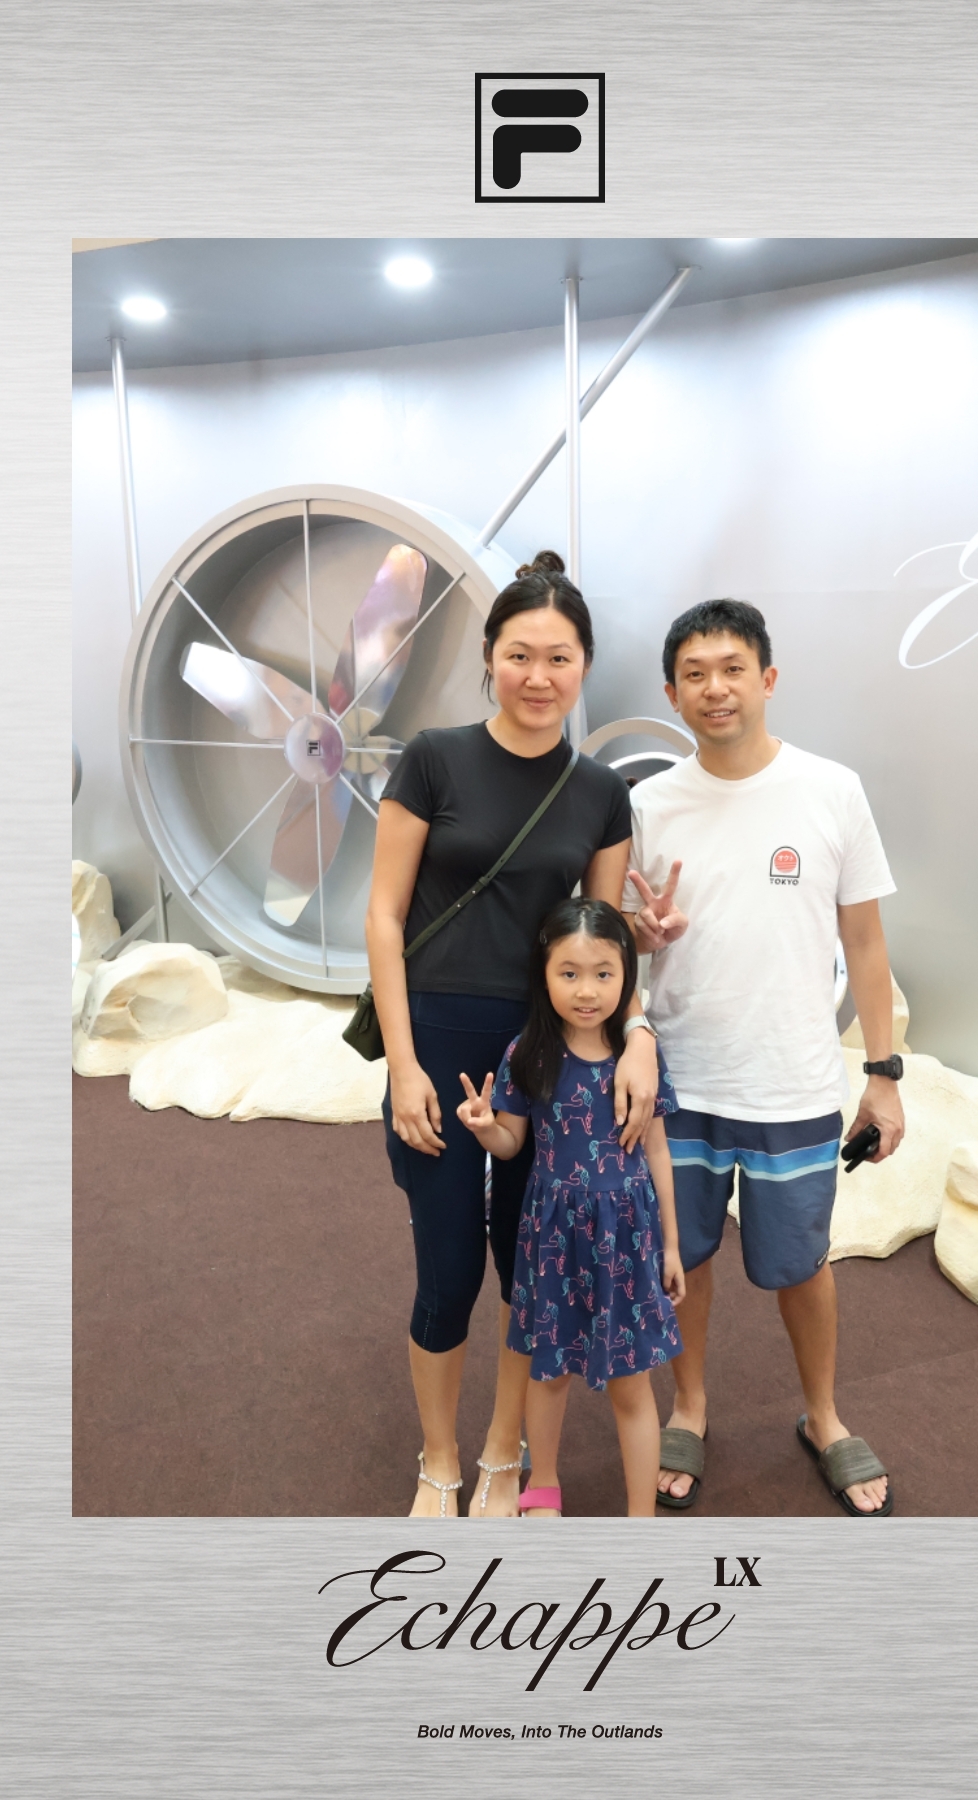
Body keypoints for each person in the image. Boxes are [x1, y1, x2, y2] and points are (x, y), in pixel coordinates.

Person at [365, 551, 664, 1518]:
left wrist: (639, 1028)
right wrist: (404, 1065)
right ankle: (439, 1457)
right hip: (439, 1041)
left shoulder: (600, 792)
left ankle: (504, 1451)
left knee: (529, 1270)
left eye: (560, 658)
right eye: (520, 655)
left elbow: (604, 948)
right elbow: (383, 916)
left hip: (545, 1055)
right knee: (448, 1266)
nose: (540, 677)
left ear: (585, 667)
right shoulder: (433, 758)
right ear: (490, 658)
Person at [624, 598, 905, 1517]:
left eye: (732, 669)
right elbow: (620, 944)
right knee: (685, 1255)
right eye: (695, 674)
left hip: (793, 1080)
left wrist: (884, 1075)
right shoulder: (648, 805)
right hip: (683, 1080)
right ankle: (690, 1407)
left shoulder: (832, 790)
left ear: (768, 679)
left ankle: (824, 1415)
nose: (715, 688)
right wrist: (642, 936)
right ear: (672, 692)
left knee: (802, 1265)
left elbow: (865, 943)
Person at [456, 897, 685, 1518]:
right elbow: (511, 1144)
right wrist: (483, 1126)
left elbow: (658, 1152)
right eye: (570, 973)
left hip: (626, 1237)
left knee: (632, 1384)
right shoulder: (528, 1053)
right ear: (545, 974)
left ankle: (641, 1520)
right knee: (548, 1372)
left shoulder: (640, 1060)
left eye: (604, 973)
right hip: (553, 1235)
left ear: (626, 975)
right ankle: (544, 1487)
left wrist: (671, 1245)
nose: (587, 990)